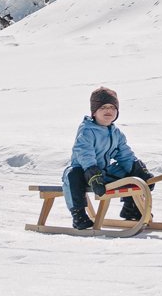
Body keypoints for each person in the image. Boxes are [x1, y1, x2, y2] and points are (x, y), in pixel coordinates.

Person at [61, 87, 156, 230]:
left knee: (128, 173)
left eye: (112, 107)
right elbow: (84, 152)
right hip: (84, 171)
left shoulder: (116, 132)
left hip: (103, 172)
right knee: (72, 175)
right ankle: (78, 215)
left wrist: (138, 169)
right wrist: (92, 173)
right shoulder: (87, 130)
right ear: (94, 112)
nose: (108, 111)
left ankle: (130, 207)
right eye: (103, 107)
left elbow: (124, 154)